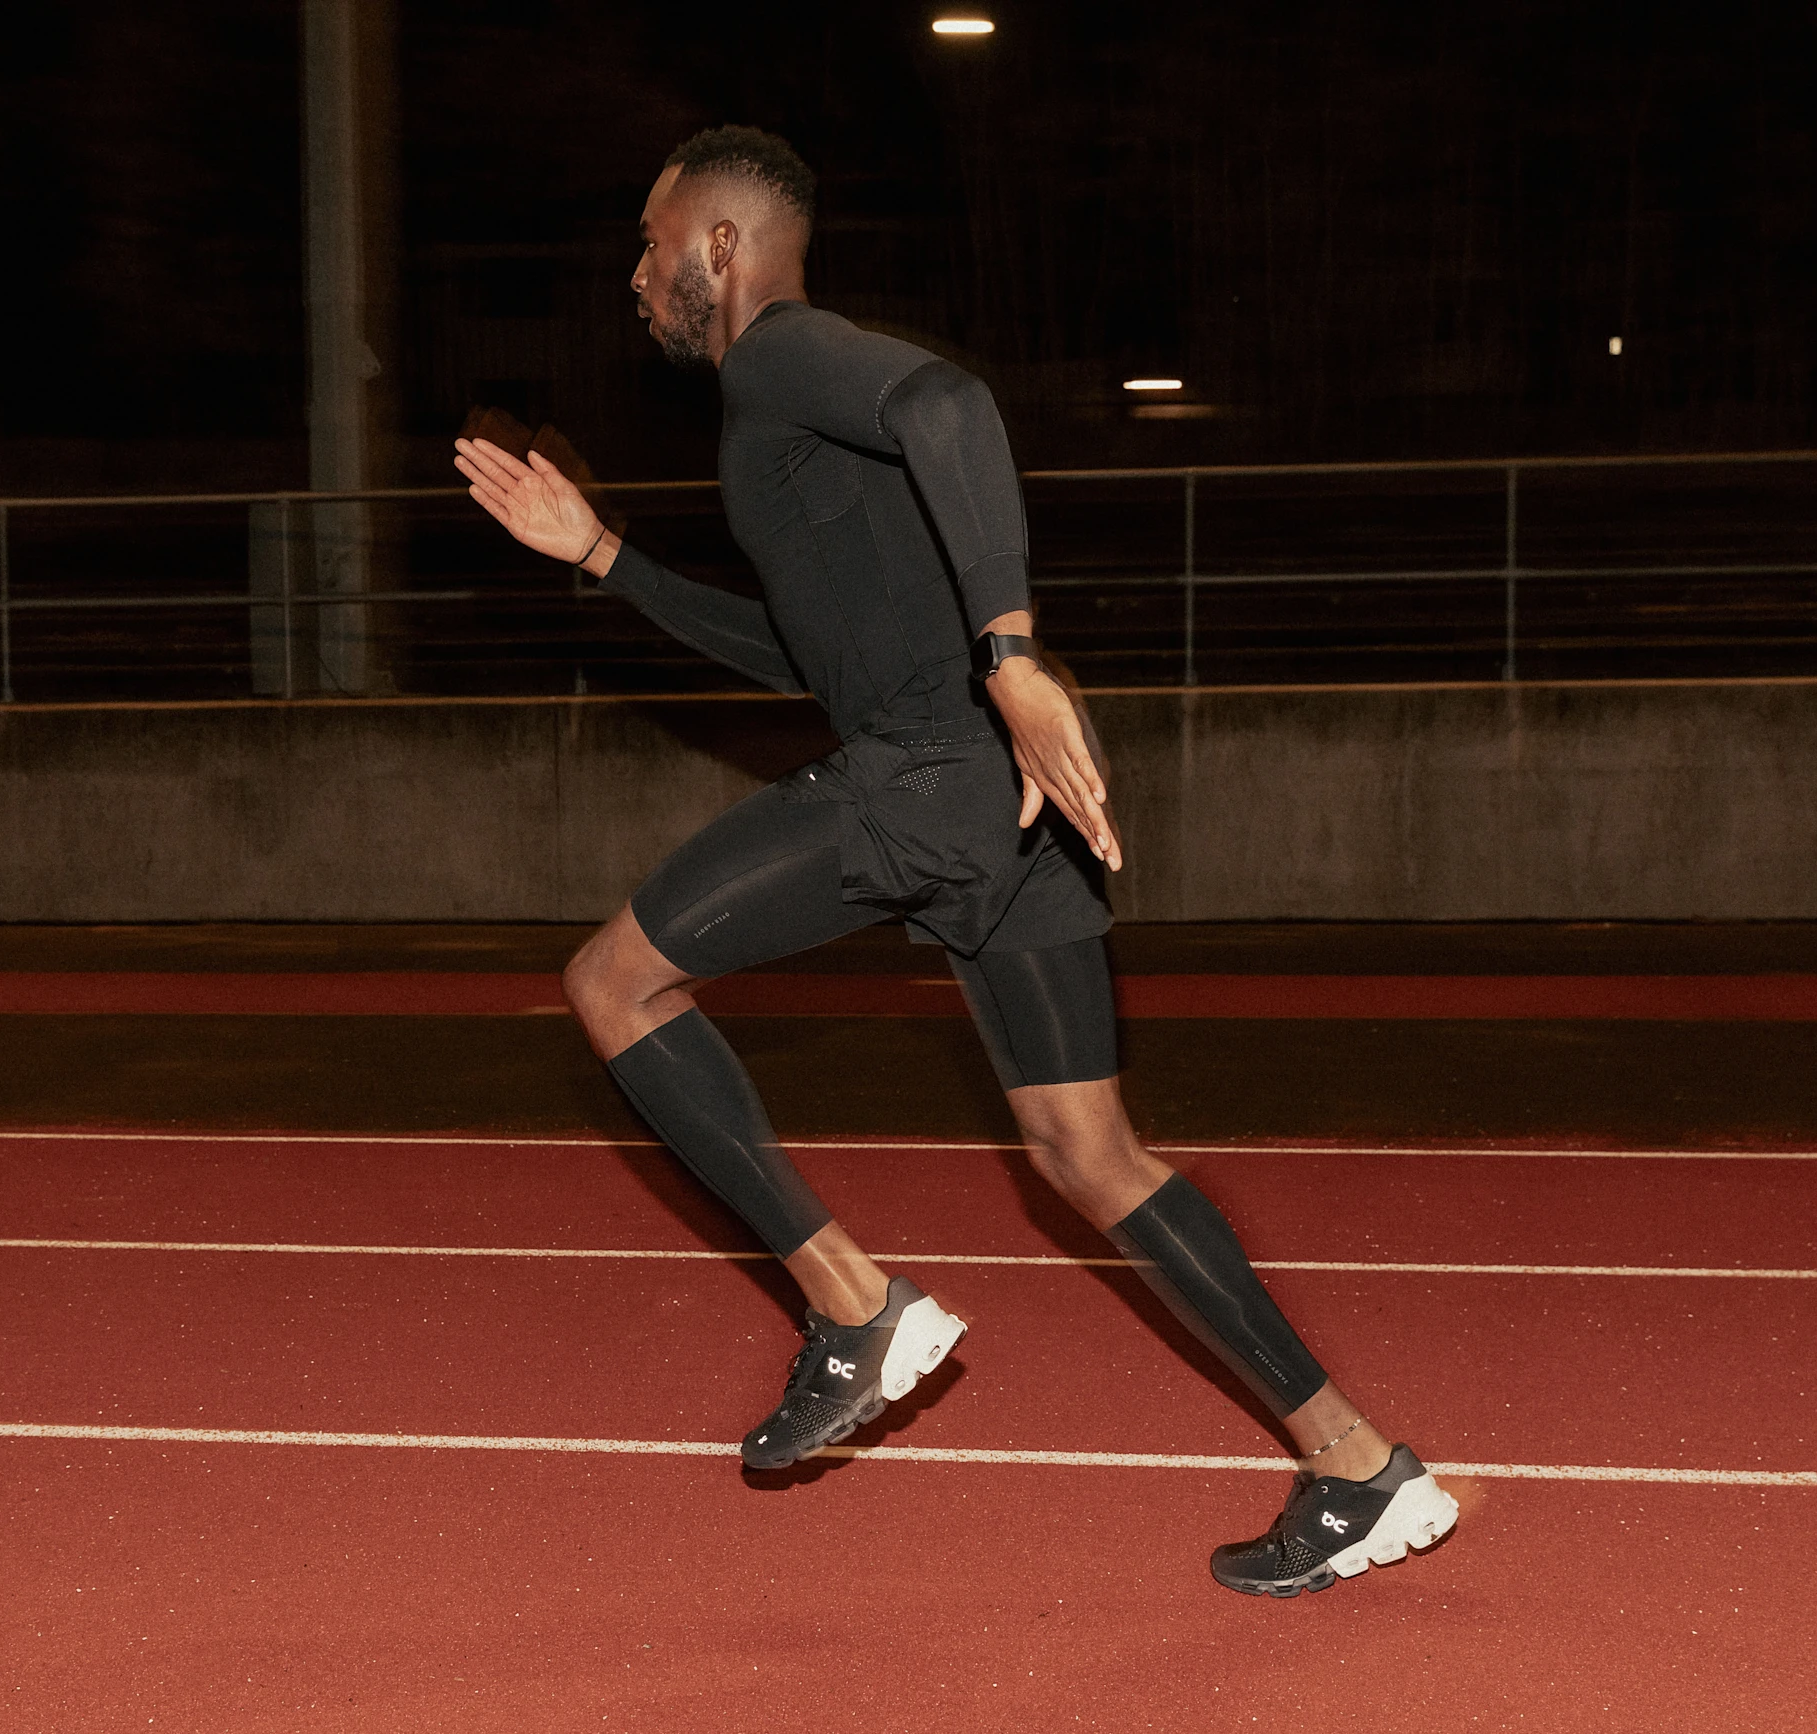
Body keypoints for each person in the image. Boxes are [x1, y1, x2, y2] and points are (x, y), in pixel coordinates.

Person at [453, 125, 1455, 1597]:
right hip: (994, 807)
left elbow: (950, 398)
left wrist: (1012, 651)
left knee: (611, 982)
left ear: (720, 251)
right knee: (1090, 1156)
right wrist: (606, 559)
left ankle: (852, 1303)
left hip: (927, 773)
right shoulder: (779, 428)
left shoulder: (779, 357)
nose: (634, 274)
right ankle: (1359, 1464)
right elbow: (799, 653)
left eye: (652, 243)